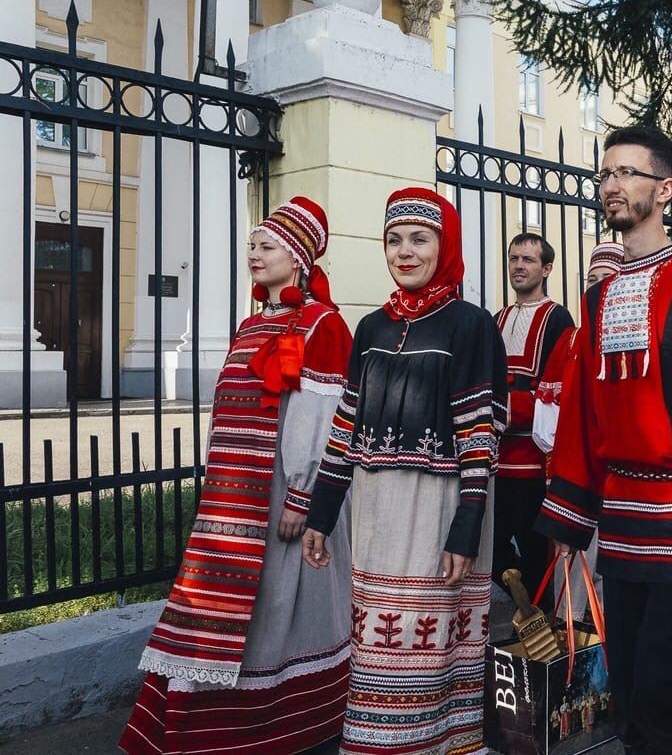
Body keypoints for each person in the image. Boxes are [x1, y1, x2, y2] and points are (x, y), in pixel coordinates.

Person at [534, 125, 672, 755]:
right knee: (628, 681)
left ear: (665, 189)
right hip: (622, 514)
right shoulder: (599, 294)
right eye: (606, 174)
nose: (611, 185)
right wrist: (571, 516)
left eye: (627, 173)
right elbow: (581, 411)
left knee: (662, 679)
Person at [121, 197, 354, 754]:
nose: (253, 253)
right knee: (223, 607)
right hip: (232, 497)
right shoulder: (252, 323)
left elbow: (317, 417)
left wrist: (302, 494)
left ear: (297, 257)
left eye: (267, 245)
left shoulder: (321, 323)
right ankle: (202, 722)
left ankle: (283, 721)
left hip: (279, 496)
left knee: (282, 607)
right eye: (251, 244)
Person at [301, 188, 507, 755]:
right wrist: (321, 513)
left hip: (440, 506)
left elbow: (480, 437)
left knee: (435, 636)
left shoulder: (470, 326)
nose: (405, 251)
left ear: (447, 247)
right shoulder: (369, 328)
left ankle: (442, 743)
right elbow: (345, 427)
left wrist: (466, 527)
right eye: (394, 240)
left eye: (420, 238)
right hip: (374, 510)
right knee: (376, 643)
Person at [532, 241, 624, 620]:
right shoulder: (570, 339)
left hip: (620, 480)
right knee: (570, 565)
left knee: (612, 572)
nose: (599, 287)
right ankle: (572, 657)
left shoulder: (635, 340)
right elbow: (545, 421)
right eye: (592, 279)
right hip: (574, 476)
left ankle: (606, 658)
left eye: (608, 278)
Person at [493, 233, 574, 606]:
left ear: (546, 268)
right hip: (496, 461)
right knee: (491, 547)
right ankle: (518, 596)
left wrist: (506, 406)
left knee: (537, 552)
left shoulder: (558, 317)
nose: (518, 266)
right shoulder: (498, 317)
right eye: (513, 258)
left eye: (527, 259)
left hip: (534, 463)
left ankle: (543, 641)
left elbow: (558, 388)